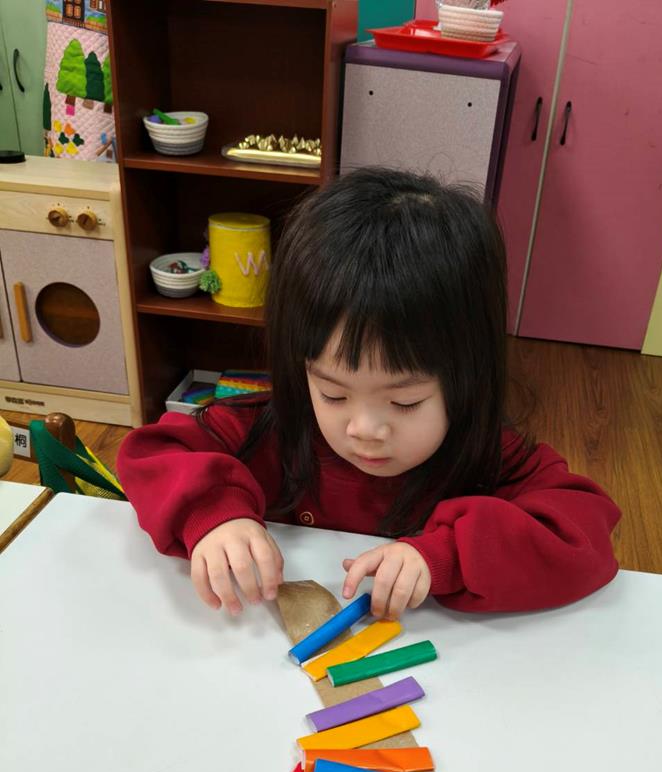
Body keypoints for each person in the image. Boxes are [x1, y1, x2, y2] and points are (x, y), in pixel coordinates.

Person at [118, 167, 620, 619]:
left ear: (468, 377)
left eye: (405, 402)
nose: (364, 430)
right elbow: (152, 453)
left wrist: (444, 555)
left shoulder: (489, 456)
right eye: (333, 394)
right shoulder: (272, 428)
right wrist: (212, 517)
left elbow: (582, 534)